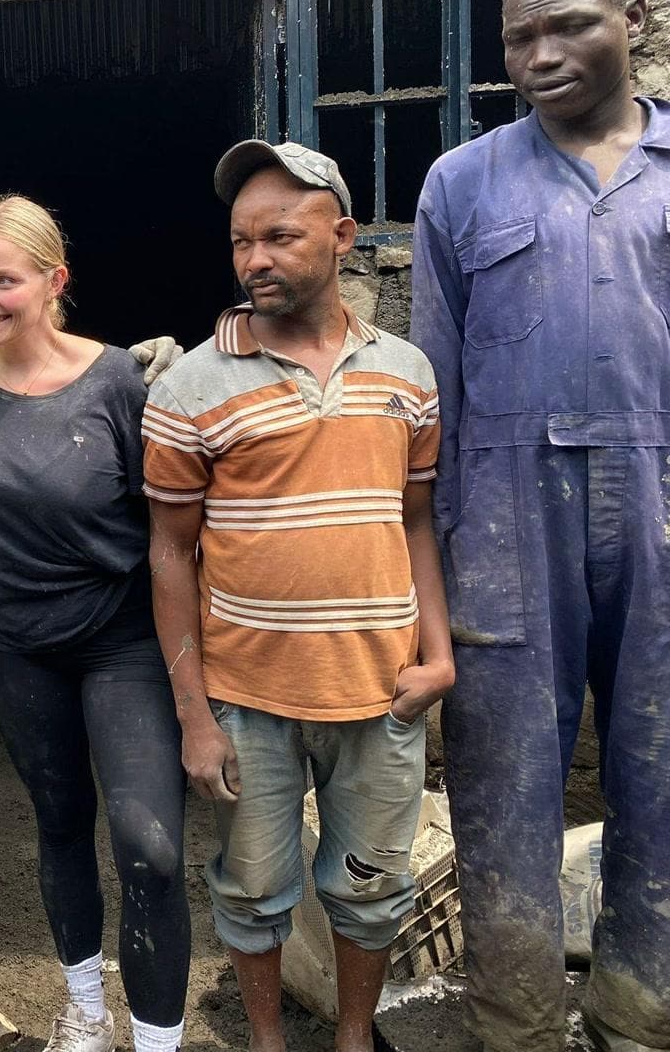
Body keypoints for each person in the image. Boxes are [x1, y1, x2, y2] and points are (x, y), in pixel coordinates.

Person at [411, 0, 670, 1052]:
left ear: (635, 26)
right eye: (519, 36)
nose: (540, 53)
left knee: (659, 772)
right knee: (504, 782)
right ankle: (513, 1021)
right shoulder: (460, 183)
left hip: (663, 505)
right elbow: (434, 390)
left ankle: (637, 1012)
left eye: (569, 24)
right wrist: (440, 553)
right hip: (504, 518)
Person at [144, 143, 454, 1052]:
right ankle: (270, 1041)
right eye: (241, 241)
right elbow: (169, 556)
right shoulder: (190, 386)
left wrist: (438, 658)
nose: (255, 259)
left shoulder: (408, 372)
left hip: (380, 693)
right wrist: (194, 717)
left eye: (279, 235)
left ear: (344, 236)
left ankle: (355, 1037)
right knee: (249, 892)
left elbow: (418, 524)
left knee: (370, 889)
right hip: (249, 705)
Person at [0, 196, 189, 1052]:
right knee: (59, 824)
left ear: (55, 282)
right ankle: (83, 1004)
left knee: (149, 846)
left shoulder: (120, 379)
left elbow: (172, 526)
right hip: (18, 648)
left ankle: (156, 1041)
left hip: (121, 643)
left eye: (4, 279)